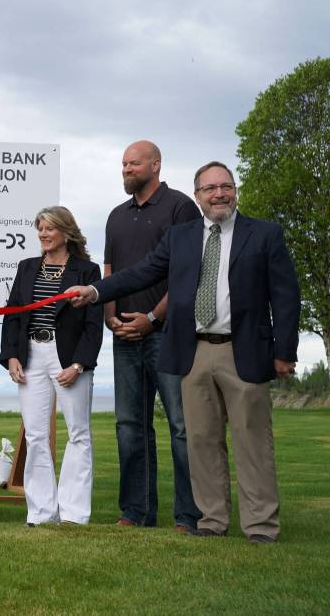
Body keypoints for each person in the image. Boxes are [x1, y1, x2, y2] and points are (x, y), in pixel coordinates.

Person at [68, 161, 300, 543]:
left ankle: (261, 527)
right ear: (198, 196)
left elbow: (286, 296)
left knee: (253, 442)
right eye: (210, 188)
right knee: (201, 442)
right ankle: (211, 522)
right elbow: (141, 272)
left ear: (235, 191)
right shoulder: (181, 237)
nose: (219, 194)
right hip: (194, 353)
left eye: (225, 186)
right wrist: (96, 292)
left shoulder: (264, 235)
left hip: (245, 352)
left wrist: (284, 352)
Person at [105, 140, 203, 532]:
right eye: (123, 164)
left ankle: (190, 516)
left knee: (182, 426)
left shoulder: (181, 208)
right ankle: (137, 512)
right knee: (130, 425)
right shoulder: (115, 215)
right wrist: (111, 316)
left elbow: (187, 272)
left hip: (168, 334)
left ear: (156, 165)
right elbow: (110, 269)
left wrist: (151, 317)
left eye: (134, 163)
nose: (127, 169)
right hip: (123, 336)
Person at [0, 207, 102, 525]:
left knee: (78, 434)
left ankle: (73, 514)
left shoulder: (87, 271)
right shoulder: (27, 268)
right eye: (40, 228)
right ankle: (41, 512)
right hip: (31, 354)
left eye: (50, 228)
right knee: (35, 436)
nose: (43, 234)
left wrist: (80, 364)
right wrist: (12, 356)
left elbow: (93, 325)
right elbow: (14, 314)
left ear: (66, 232)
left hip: (68, 357)